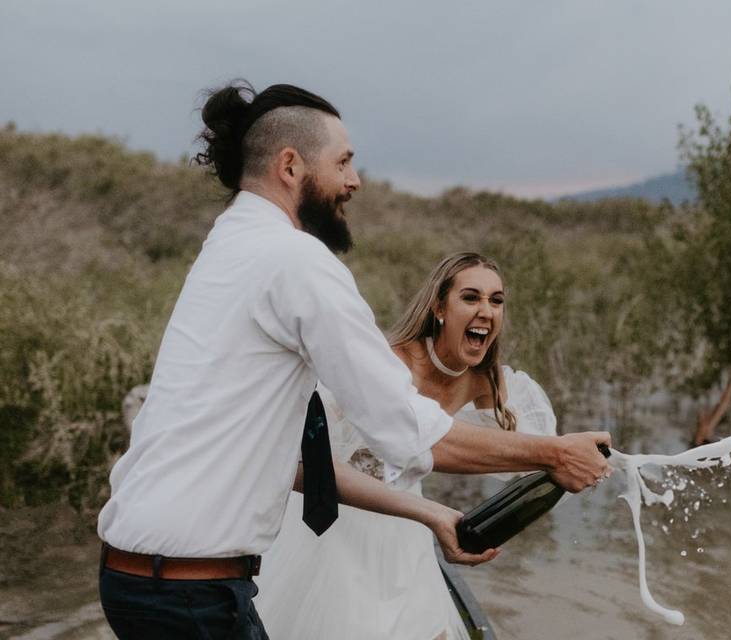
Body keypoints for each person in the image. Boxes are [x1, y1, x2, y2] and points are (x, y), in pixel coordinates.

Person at [96, 80, 611, 639]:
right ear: (291, 166)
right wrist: (554, 454)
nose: (354, 181)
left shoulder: (228, 245)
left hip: (140, 579)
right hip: (190, 591)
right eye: (343, 162)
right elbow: (408, 430)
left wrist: (433, 513)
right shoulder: (295, 261)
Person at [255, 252, 561, 639]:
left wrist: (581, 459)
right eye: (471, 298)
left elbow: (527, 451)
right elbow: (299, 458)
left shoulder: (487, 382)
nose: (486, 310)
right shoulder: (386, 365)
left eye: (496, 301)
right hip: (335, 523)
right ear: (439, 307)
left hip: (408, 525)